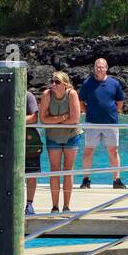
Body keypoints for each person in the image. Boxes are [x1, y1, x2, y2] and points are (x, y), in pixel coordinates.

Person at [78, 58, 125, 189]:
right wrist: (88, 112)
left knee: (113, 151)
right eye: (97, 66)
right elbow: (81, 101)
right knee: (88, 151)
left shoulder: (114, 83)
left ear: (106, 68)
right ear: (94, 68)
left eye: (102, 67)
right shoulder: (88, 83)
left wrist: (115, 112)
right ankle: (86, 179)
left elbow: (120, 101)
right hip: (92, 123)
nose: (99, 69)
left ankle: (116, 180)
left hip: (111, 123)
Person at [39, 71, 82, 213]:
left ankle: (66, 206)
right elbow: (43, 119)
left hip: (71, 135)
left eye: (57, 82)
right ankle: (55, 206)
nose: (53, 84)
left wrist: (54, 120)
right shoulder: (47, 94)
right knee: (54, 170)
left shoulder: (72, 94)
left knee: (68, 171)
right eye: (52, 81)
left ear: (64, 84)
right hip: (53, 136)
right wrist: (63, 117)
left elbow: (75, 119)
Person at [24, 87, 42, 215]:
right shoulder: (1, 94)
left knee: (31, 174)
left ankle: (29, 204)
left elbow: (34, 117)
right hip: (8, 139)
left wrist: (12, 120)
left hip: (30, 141)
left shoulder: (28, 96)